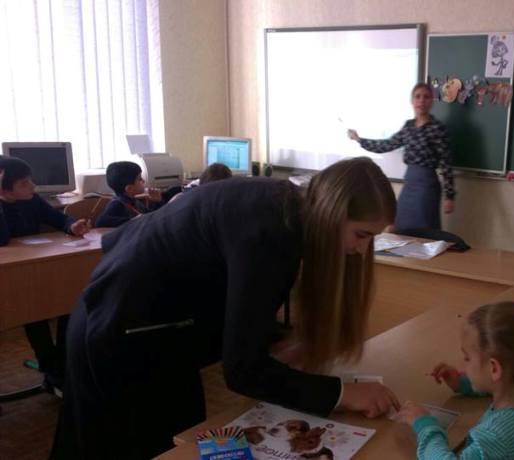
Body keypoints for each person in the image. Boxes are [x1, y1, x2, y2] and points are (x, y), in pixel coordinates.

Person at [53, 157, 401, 459]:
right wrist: (341, 394)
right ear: (332, 213)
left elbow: (240, 306)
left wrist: (274, 346)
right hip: (120, 331)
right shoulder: (272, 231)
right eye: (362, 235)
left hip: (154, 328)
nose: (361, 251)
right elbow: (242, 370)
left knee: (181, 439)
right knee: (137, 448)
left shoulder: (289, 208)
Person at [395, 302, 514, 460]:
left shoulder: (497, 436)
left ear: (494, 368)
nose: (463, 364)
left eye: (467, 358)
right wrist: (463, 383)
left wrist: (425, 425)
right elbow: (504, 382)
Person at [0, 157, 90, 393]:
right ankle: (51, 367)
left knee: (67, 303)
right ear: (4, 188)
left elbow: (58, 218)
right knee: (34, 313)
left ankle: (60, 364)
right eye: (24, 183)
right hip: (13, 276)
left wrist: (71, 226)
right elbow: (2, 239)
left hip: (37, 268)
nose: (33, 186)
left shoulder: (32, 200)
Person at [347, 82, 455, 231]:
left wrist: (449, 196)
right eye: (417, 96)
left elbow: (446, 164)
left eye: (426, 97)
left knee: (424, 232)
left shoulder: (437, 128)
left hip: (427, 187)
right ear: (412, 101)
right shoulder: (408, 126)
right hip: (409, 183)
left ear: (431, 101)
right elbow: (387, 145)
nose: (421, 100)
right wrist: (359, 140)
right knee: (398, 227)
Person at [95, 161, 163, 228]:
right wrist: (132, 221)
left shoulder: (134, 201)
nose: (143, 181)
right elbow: (100, 222)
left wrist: (157, 202)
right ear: (129, 189)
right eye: (139, 179)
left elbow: (150, 218)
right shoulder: (117, 203)